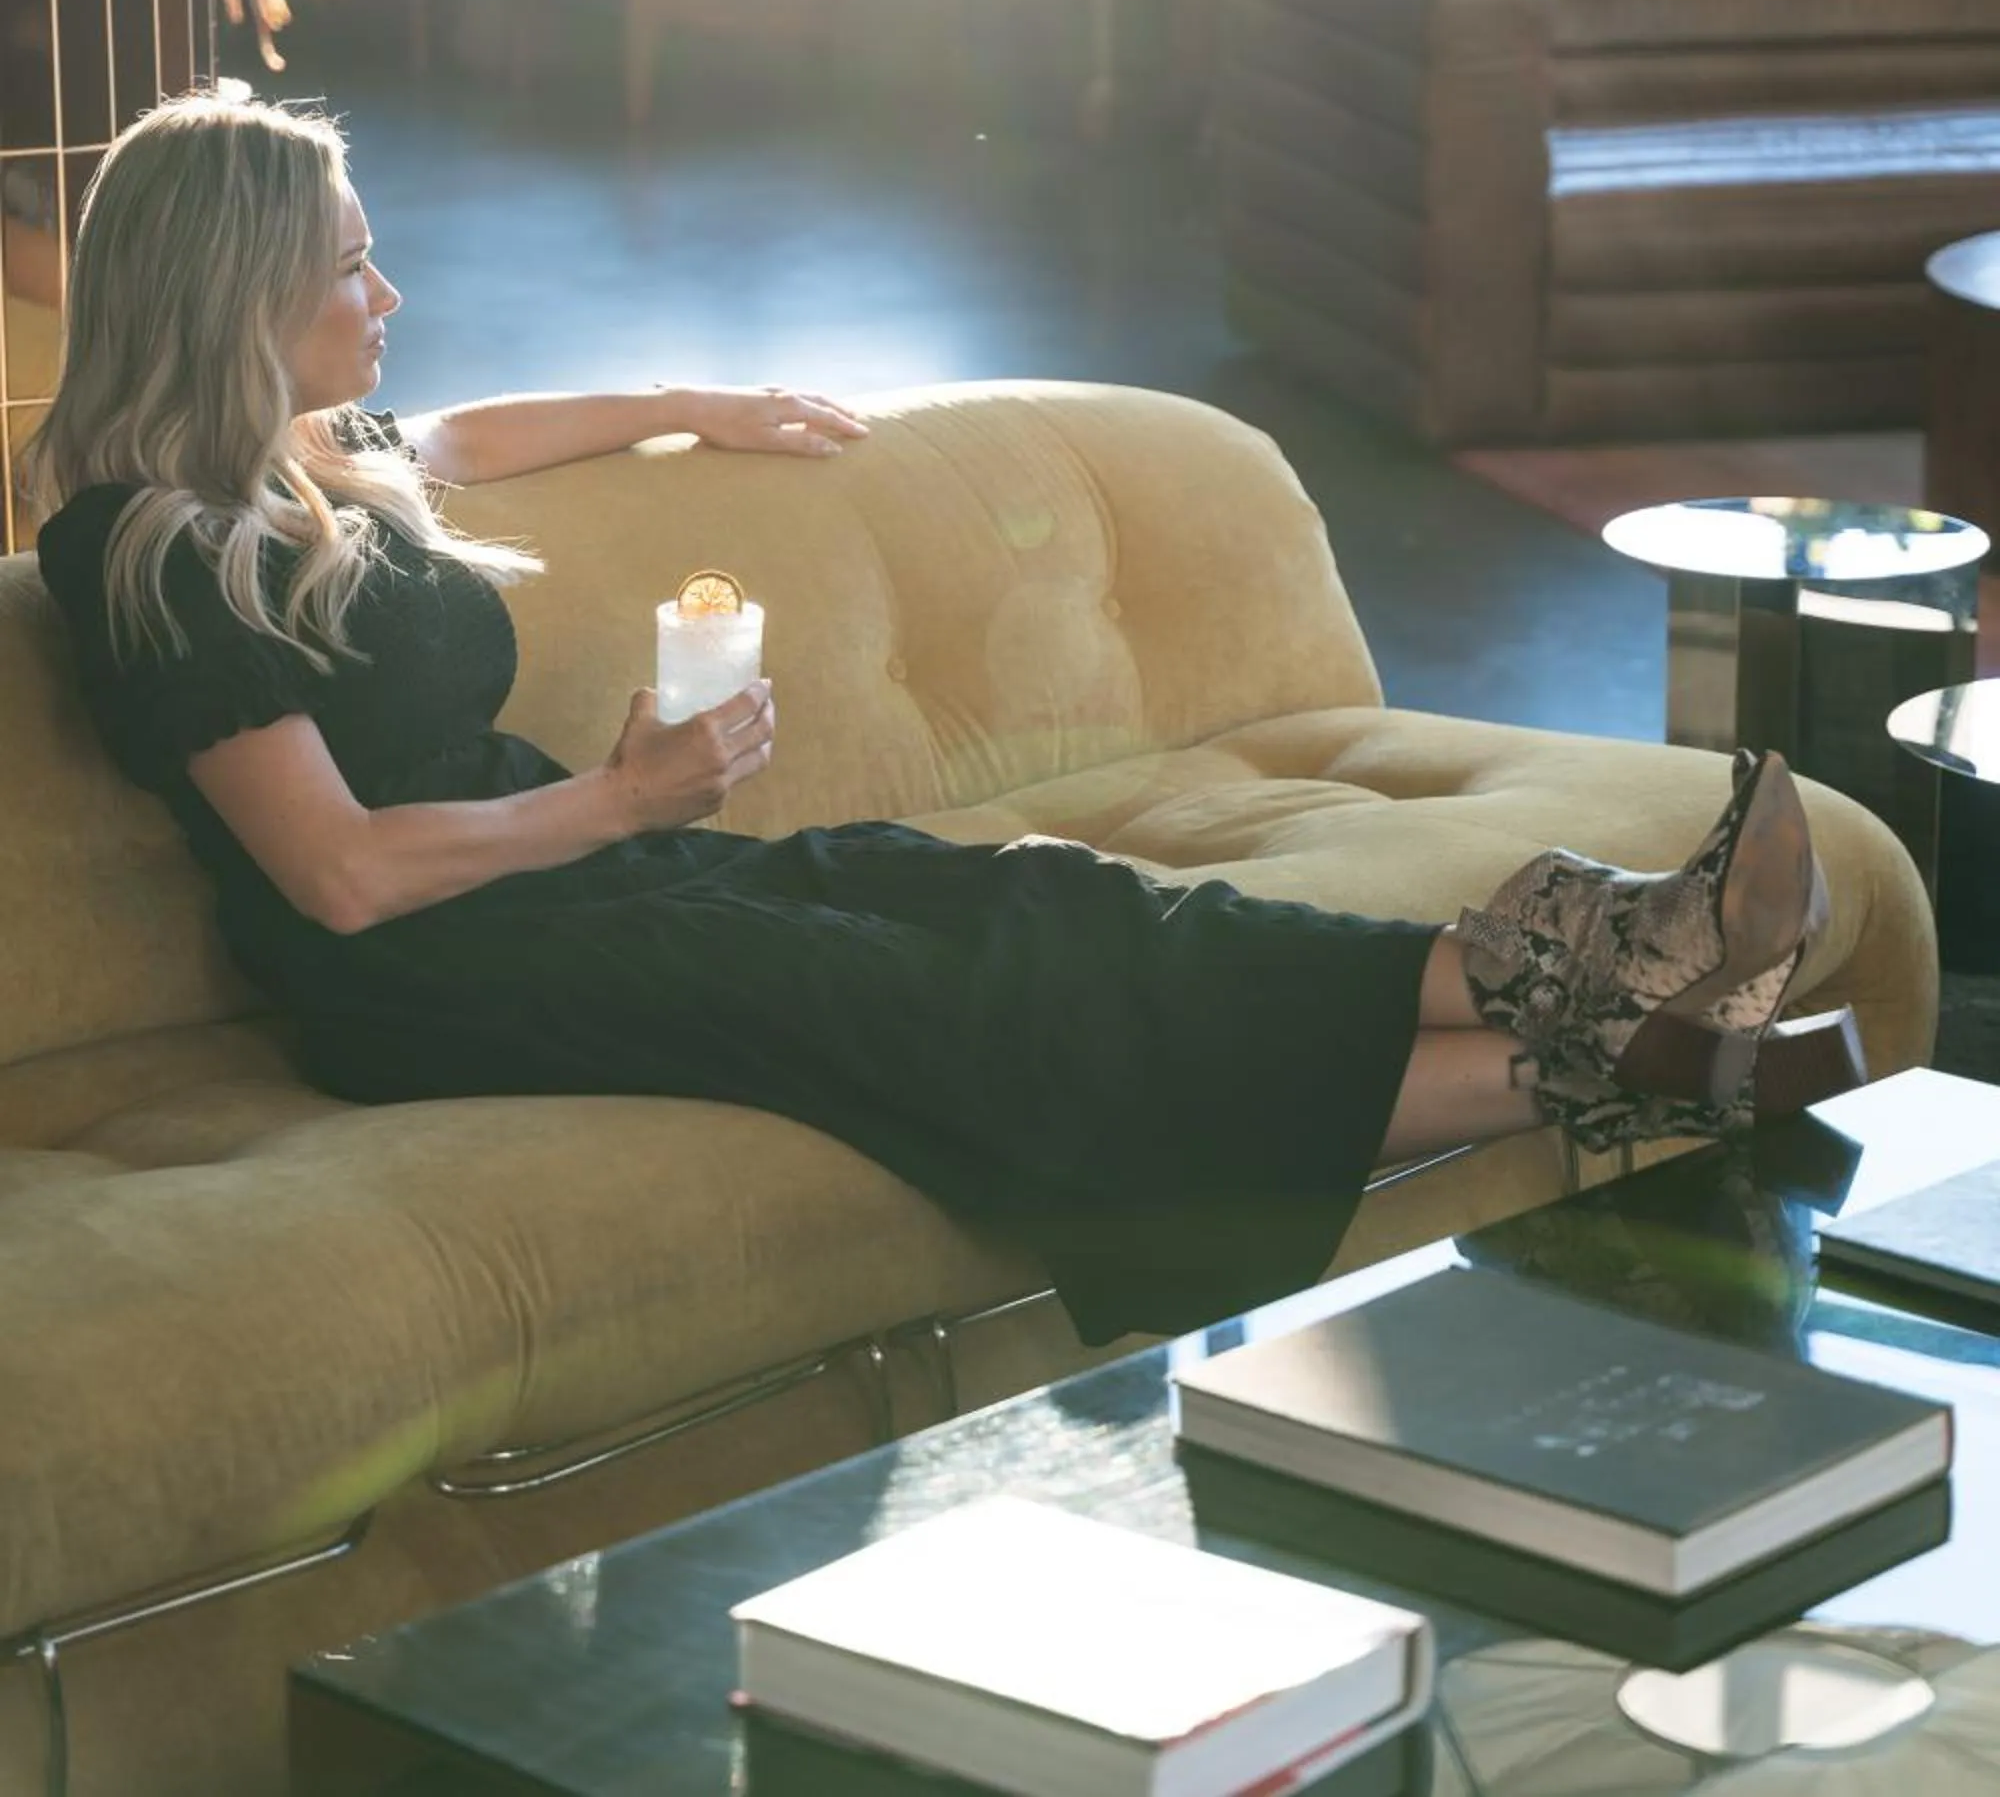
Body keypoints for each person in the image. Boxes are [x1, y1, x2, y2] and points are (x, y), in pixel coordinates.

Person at [28, 96, 1855, 1344]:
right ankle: (1629, 1017)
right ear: (235, 298)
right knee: (962, 1000)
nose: (388, 293)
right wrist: (626, 796)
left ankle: (1621, 990)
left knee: (1030, 904)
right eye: (348, 266)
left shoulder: (308, 462)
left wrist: (705, 398)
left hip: (569, 897)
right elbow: (337, 879)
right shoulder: (151, 550)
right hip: (435, 978)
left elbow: (473, 435)